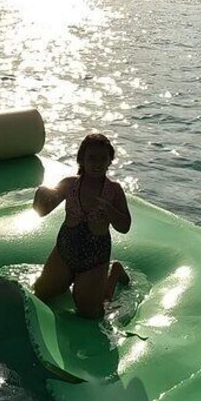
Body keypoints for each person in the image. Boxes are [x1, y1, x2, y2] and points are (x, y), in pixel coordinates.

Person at [32, 133, 132, 318]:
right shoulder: (69, 184)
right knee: (41, 293)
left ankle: (114, 273)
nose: (97, 163)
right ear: (82, 160)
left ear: (110, 161)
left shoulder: (114, 191)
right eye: (92, 158)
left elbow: (125, 226)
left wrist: (109, 209)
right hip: (65, 250)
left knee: (91, 312)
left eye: (103, 158)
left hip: (95, 254)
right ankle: (67, 280)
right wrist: (41, 194)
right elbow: (42, 211)